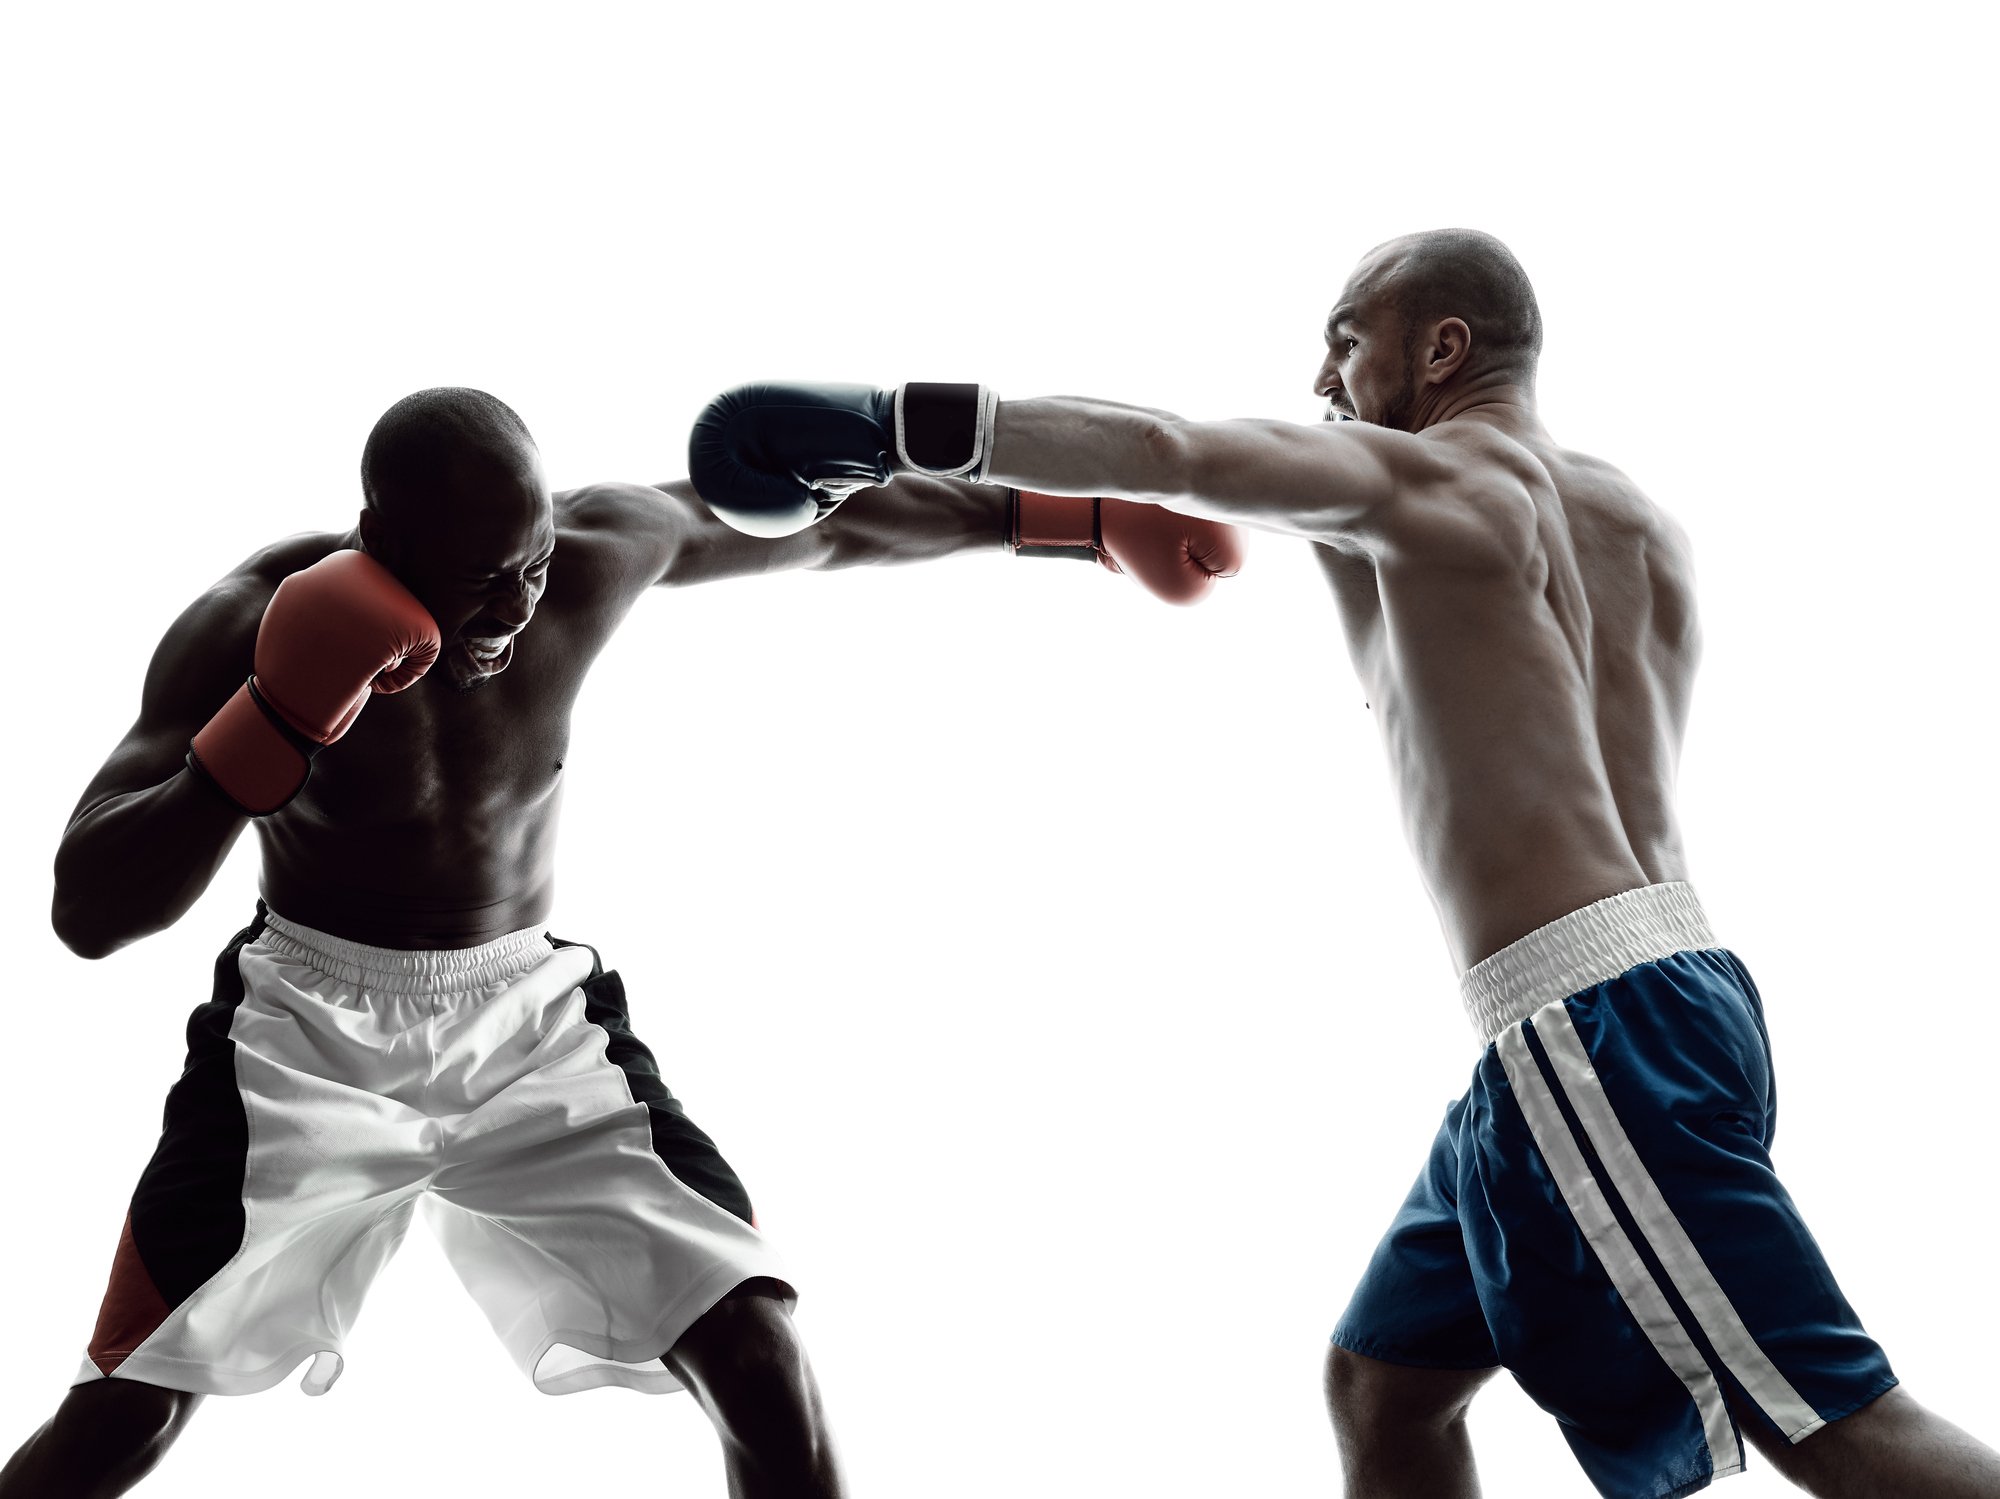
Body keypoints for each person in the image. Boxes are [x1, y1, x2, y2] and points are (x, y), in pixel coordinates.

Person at [681, 229, 2000, 1499]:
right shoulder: (1635, 524)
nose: (1321, 381)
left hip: (1590, 1033)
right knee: (1384, 1380)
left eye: (1343, 341)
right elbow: (1456, 652)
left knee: (1836, 1426)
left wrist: (882, 420)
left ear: (1439, 348)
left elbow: (1164, 450)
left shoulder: (1428, 490)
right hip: (1656, 995)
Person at [1, 385, 1243, 1499]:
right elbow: (87, 908)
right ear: (380, 539)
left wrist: (1074, 518)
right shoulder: (246, 619)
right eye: (479, 577)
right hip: (305, 1038)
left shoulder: (584, 559)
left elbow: (826, 525)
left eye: (529, 564)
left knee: (759, 1355)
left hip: (530, 1027)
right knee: (125, 1416)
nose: (514, 604)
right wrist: (271, 717)